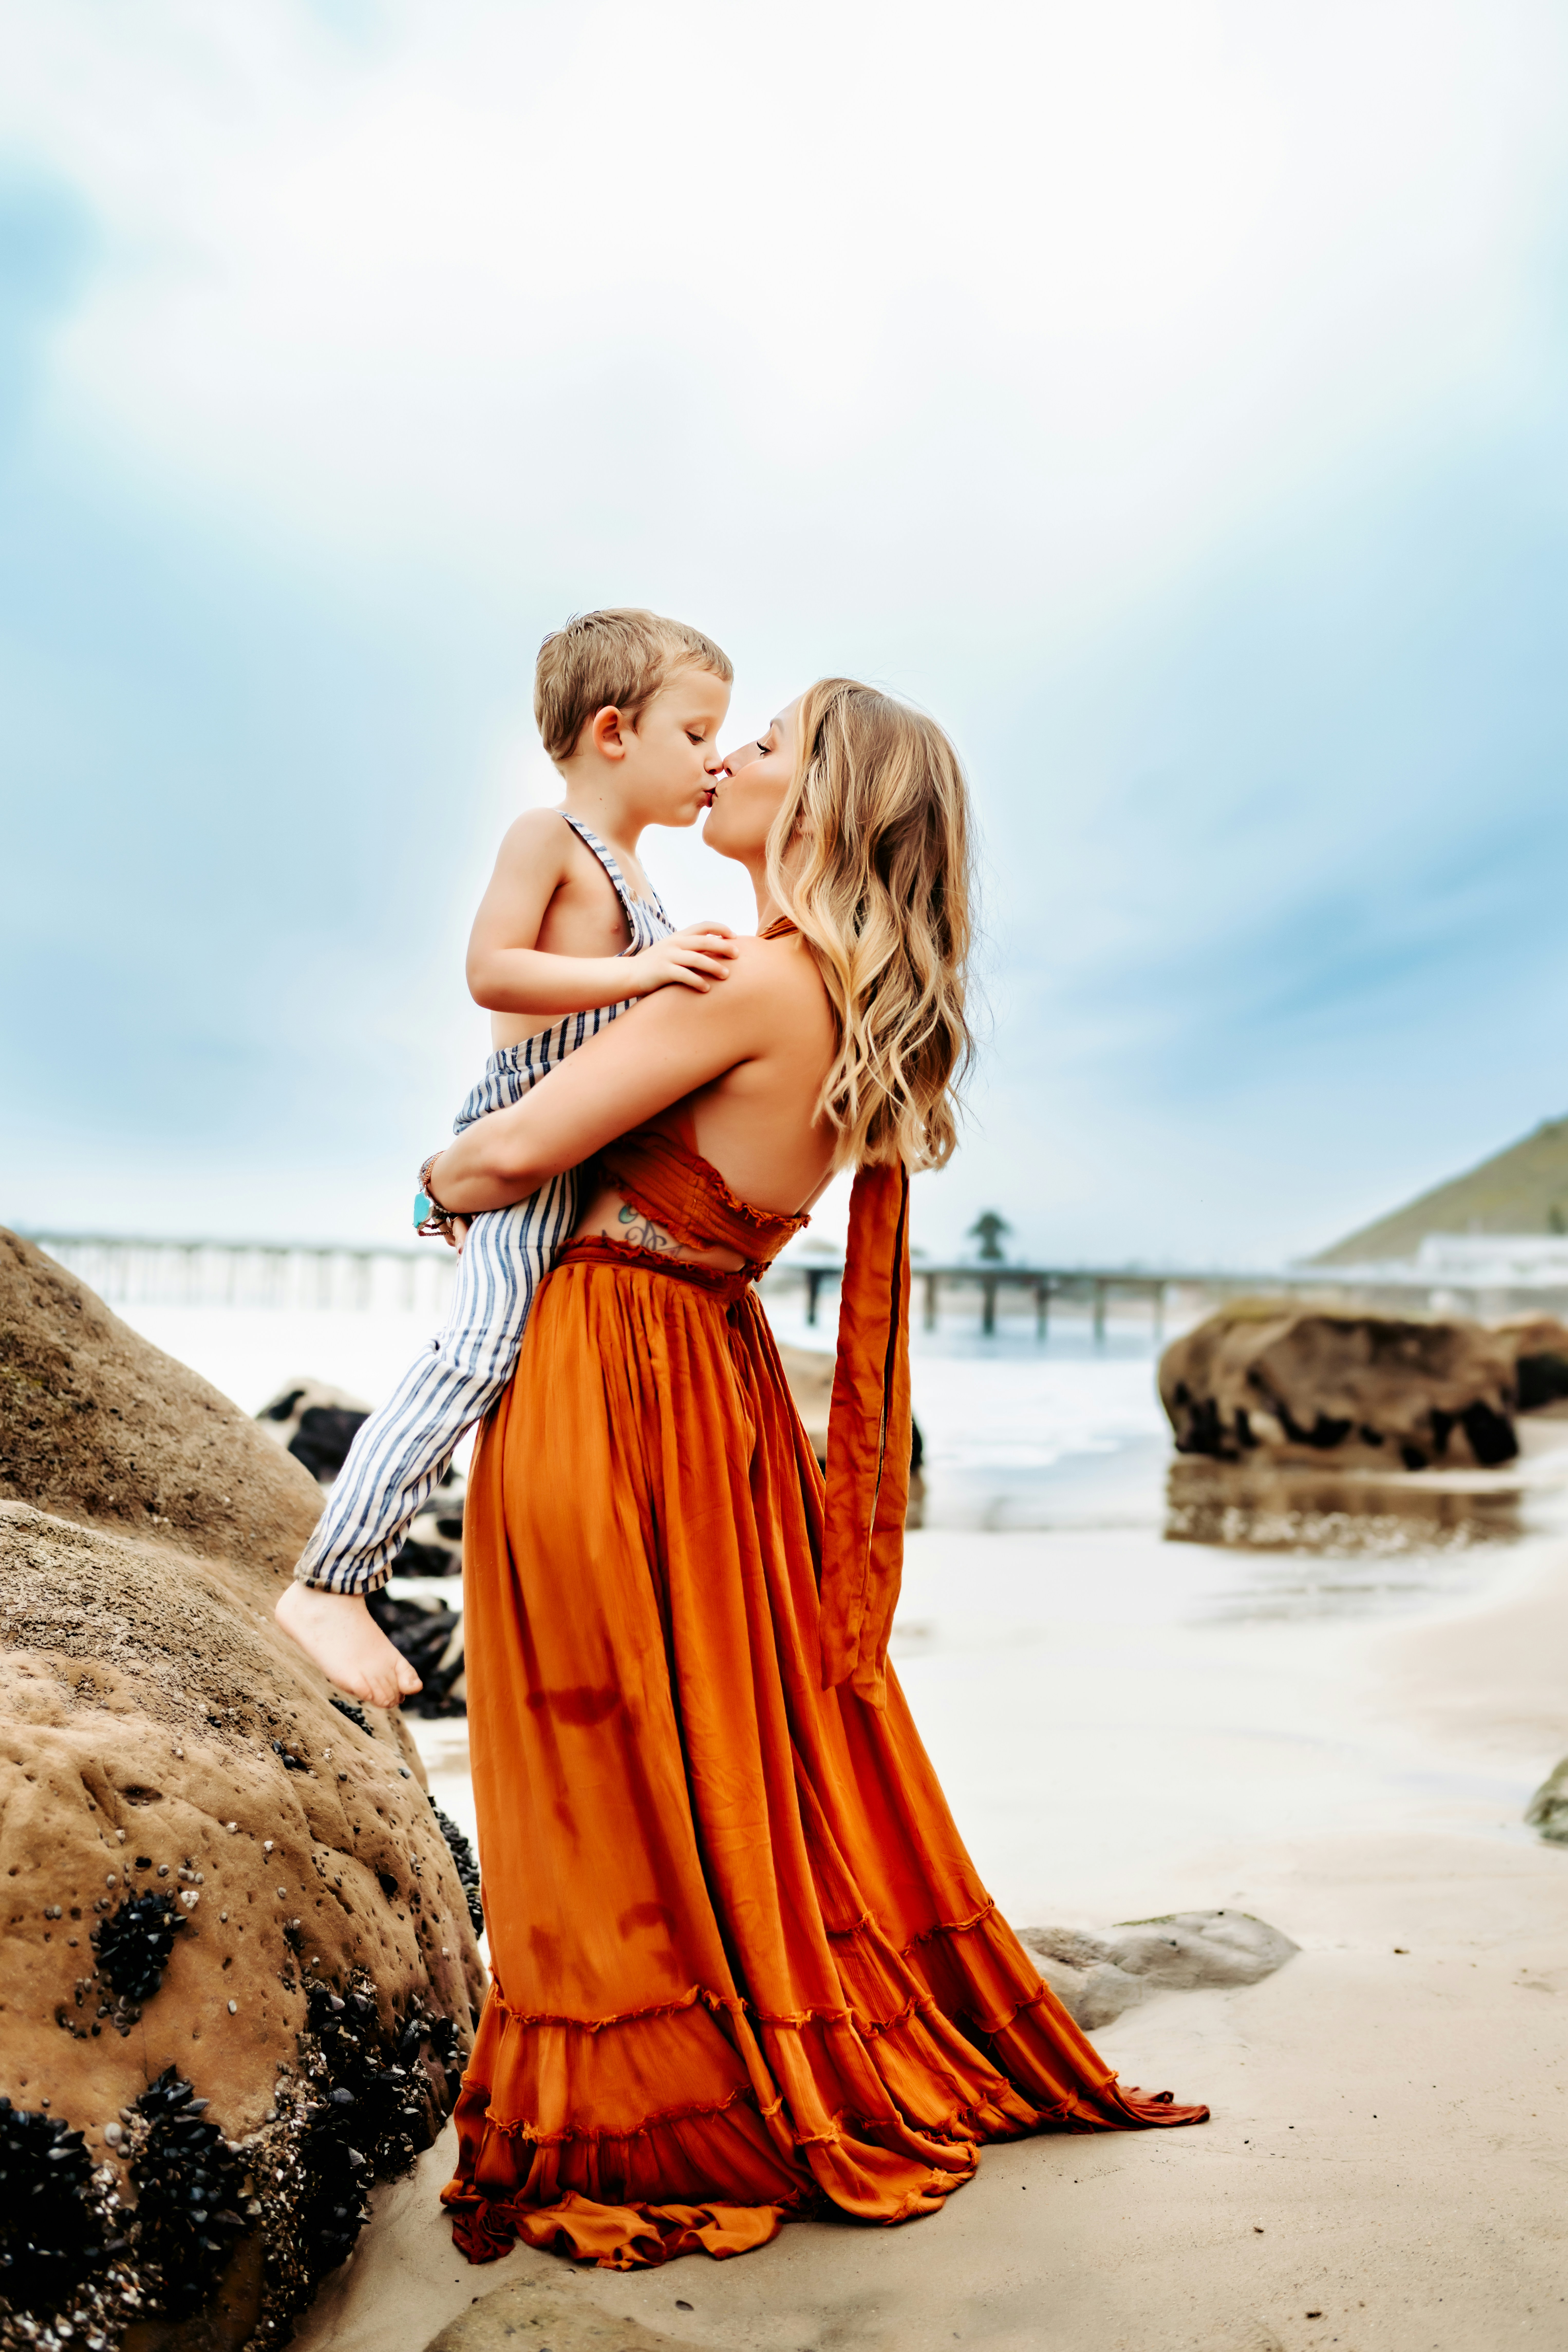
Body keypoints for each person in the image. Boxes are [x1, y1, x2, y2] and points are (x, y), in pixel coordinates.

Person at [410, 678, 1208, 2270]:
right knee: (699, 1725)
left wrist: (432, 1173)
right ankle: (722, 2027)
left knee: (587, 1734)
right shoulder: (836, 991)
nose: (726, 757)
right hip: (707, 1381)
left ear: (829, 802)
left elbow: (501, 1157)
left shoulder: (759, 980)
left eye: (761, 744)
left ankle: (650, 2086)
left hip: (613, 1371)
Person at [276, 608, 739, 1704]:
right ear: (616, 732)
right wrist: (652, 974)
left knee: (542, 1394)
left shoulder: (641, 874)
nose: (715, 761)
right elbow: (495, 970)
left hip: (591, 1157)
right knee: (476, 1354)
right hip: (528, 1145)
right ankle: (332, 1582)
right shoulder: (552, 839)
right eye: (697, 734)